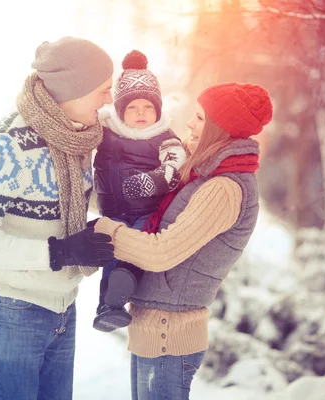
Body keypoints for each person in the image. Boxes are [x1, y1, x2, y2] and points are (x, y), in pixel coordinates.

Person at [0, 36, 115, 400]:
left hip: (62, 307)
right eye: (104, 89)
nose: (109, 100)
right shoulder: (8, 145)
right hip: (12, 310)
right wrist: (59, 253)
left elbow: (70, 203)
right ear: (76, 89)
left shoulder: (77, 140)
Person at [94, 82, 274, 399]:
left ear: (220, 129)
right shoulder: (202, 175)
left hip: (169, 334)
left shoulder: (224, 188)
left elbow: (163, 252)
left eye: (200, 118)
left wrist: (106, 231)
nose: (190, 123)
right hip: (156, 328)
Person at [92, 50, 186, 332]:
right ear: (120, 111)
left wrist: (151, 181)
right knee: (112, 247)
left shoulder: (165, 137)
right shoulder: (105, 131)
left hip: (148, 212)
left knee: (138, 249)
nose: (141, 113)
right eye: (132, 107)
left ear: (158, 109)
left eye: (148, 106)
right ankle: (107, 305)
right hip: (112, 211)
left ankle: (123, 284)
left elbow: (174, 167)